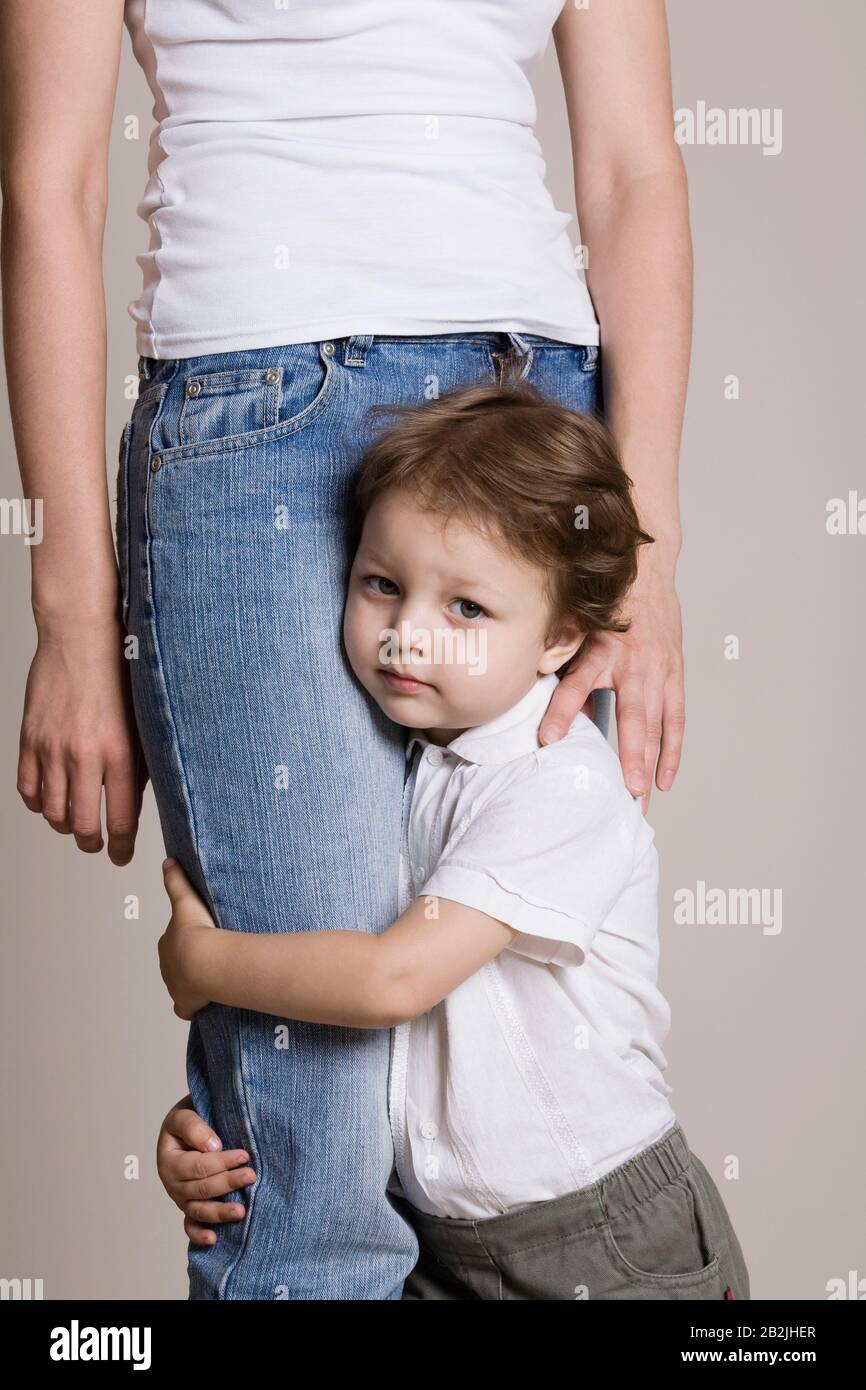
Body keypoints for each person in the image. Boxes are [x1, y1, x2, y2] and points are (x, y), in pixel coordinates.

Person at [5, 0, 690, 1299]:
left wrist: (643, 543)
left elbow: (632, 165)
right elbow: (49, 181)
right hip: (250, 408)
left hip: (529, 408)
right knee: (303, 1160)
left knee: (505, 1050)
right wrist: (69, 613)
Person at [157, 381, 750, 1301]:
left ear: (561, 637)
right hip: (436, 1246)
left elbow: (392, 981)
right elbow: (362, 1036)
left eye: (466, 609)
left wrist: (205, 964)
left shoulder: (560, 784)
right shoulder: (392, 779)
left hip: (604, 1242)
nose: (406, 636)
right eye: (382, 585)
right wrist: (216, 1124)